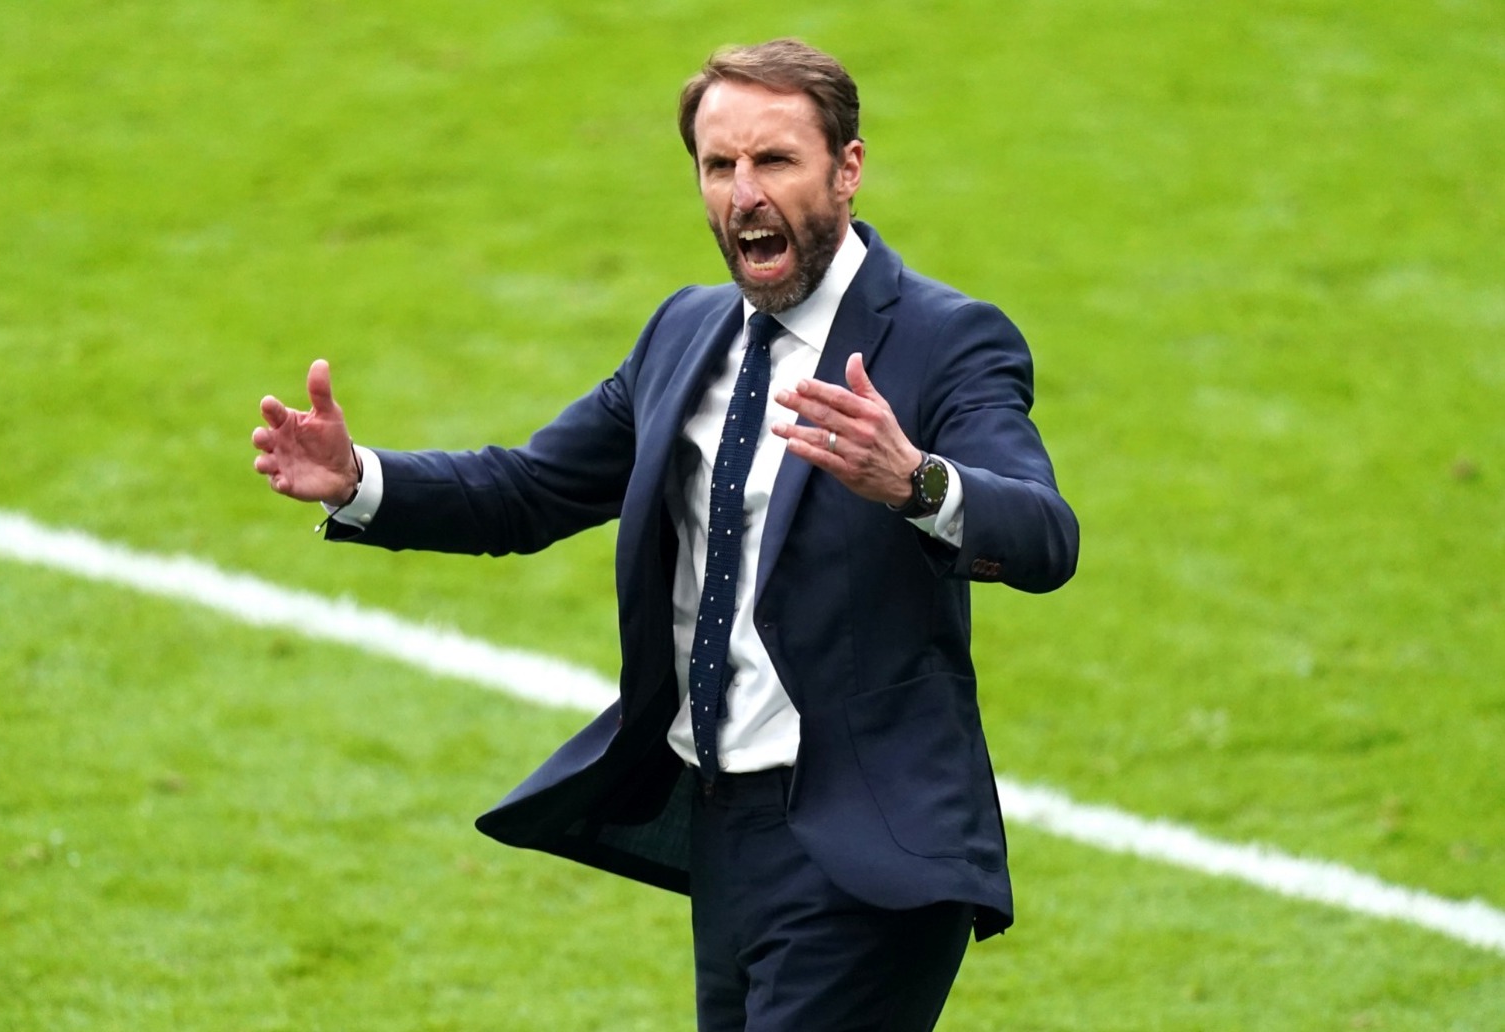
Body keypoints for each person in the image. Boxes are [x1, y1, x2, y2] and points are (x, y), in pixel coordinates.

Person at [252, 38, 1078, 1032]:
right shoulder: (684, 334)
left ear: (847, 168)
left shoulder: (945, 339)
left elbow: (1044, 535)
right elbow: (529, 490)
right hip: (726, 835)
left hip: (871, 850)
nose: (744, 194)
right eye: (719, 165)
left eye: (775, 160)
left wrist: (916, 481)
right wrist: (359, 480)